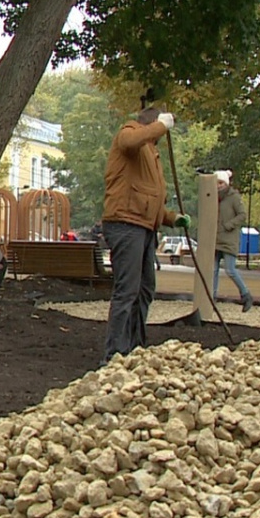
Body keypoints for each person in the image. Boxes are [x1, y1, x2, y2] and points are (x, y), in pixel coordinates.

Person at [100, 107, 190, 364]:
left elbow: (148, 198)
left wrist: (171, 218)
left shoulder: (150, 151)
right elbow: (131, 141)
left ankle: (134, 346)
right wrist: (160, 126)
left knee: (145, 289)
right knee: (127, 291)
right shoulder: (130, 133)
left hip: (142, 226)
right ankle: (114, 355)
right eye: (158, 129)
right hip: (125, 224)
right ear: (150, 124)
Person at [211, 170, 254, 312]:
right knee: (213, 270)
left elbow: (242, 215)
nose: (218, 186)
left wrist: (228, 225)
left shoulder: (234, 197)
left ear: (226, 183)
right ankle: (212, 296)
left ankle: (246, 294)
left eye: (221, 183)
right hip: (216, 239)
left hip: (228, 239)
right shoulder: (212, 197)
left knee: (230, 270)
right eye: (216, 183)